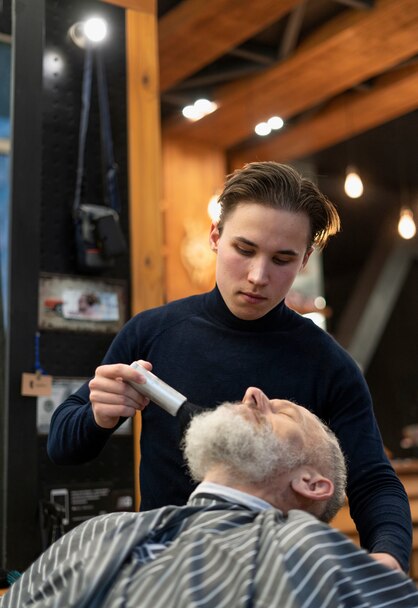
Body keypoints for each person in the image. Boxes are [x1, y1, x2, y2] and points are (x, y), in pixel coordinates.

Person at [47, 161, 412, 572]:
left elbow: (373, 481)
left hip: (276, 578)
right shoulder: (152, 333)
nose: (258, 276)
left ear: (306, 259)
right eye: (245, 249)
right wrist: (98, 415)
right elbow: (63, 445)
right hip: (164, 570)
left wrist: (389, 555)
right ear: (216, 237)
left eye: (282, 259)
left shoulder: (330, 366)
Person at [3, 390, 418, 608]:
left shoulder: (306, 549)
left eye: (283, 412)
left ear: (310, 484)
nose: (254, 395)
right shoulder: (102, 529)